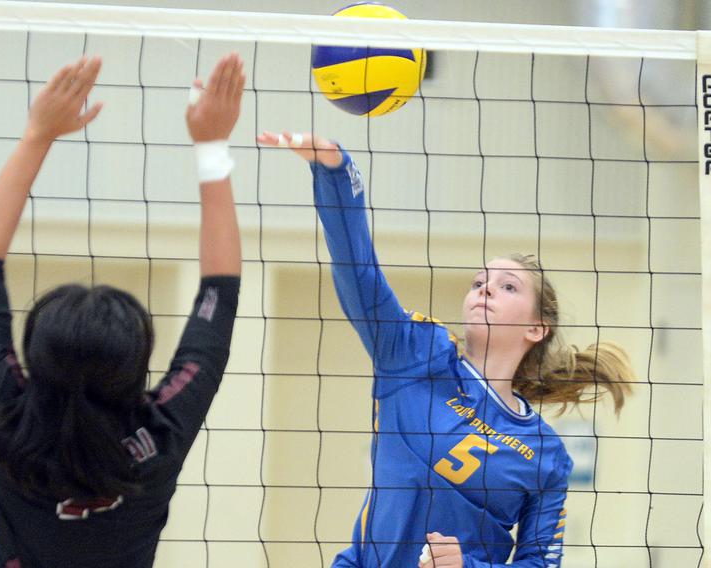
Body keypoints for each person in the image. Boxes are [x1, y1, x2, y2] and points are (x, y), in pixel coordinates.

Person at [257, 131, 634, 568]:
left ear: (536, 328)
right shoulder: (417, 356)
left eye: (507, 286)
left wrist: (467, 567)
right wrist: (335, 173)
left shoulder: (546, 453)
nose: (485, 289)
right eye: (478, 282)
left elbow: (540, 563)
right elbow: (358, 273)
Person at [0, 53, 245, 568]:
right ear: (135, 367)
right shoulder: (157, 438)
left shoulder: (7, 423)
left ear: (36, 358)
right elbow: (218, 294)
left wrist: (37, 135)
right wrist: (211, 144)